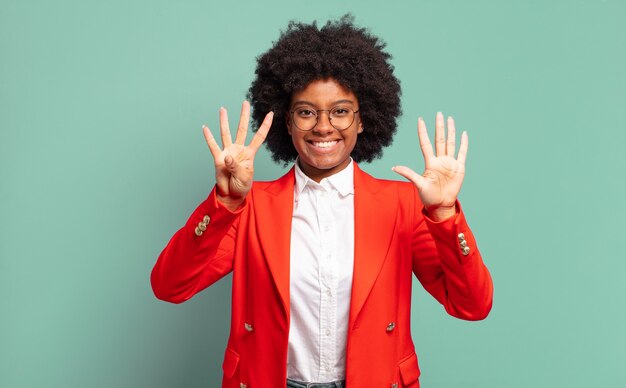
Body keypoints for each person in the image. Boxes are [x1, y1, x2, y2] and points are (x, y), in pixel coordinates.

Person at [151, 15, 493, 388]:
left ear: (363, 120)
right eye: (306, 112)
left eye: (341, 111)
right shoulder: (250, 207)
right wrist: (223, 203)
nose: (324, 126)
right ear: (287, 121)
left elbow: (472, 306)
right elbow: (170, 287)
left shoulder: (403, 205)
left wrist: (444, 215)